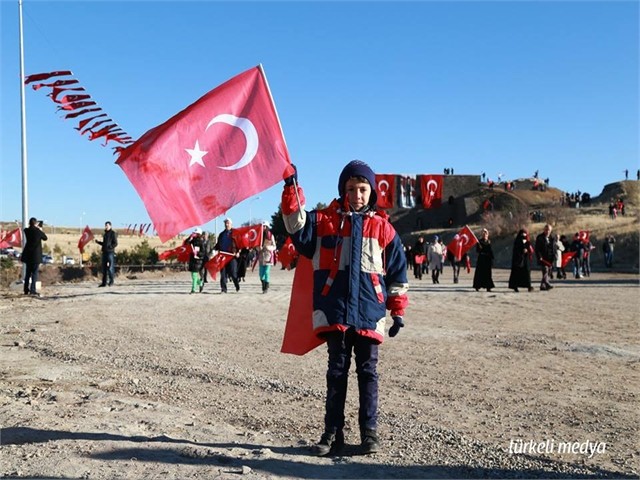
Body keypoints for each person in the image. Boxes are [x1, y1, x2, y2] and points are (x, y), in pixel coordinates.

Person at [281, 160, 408, 456]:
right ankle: (331, 433)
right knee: (336, 373)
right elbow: (294, 224)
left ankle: (369, 434)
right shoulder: (323, 222)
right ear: (342, 190)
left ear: (372, 192)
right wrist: (291, 188)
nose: (357, 194)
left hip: (370, 312)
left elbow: (398, 273)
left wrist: (397, 310)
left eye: (362, 189)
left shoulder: (384, 230)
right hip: (335, 310)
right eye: (351, 189)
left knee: (368, 374)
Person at [21, 217, 48, 296]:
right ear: (35, 223)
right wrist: (40, 229)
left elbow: (27, 229)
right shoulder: (38, 231)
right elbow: (45, 238)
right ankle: (32, 290)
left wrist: (36, 227)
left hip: (28, 255)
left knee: (28, 273)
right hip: (35, 256)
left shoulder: (27, 231)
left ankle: (26, 289)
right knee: (35, 274)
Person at [214, 218, 240, 293]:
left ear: (231, 224)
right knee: (223, 274)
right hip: (223, 256)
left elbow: (239, 244)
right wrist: (214, 249)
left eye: (228, 223)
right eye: (225, 223)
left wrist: (238, 252)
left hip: (232, 256)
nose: (226, 224)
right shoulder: (221, 234)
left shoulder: (235, 233)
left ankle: (236, 284)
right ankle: (223, 289)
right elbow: (218, 244)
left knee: (233, 273)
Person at [95, 221, 118, 287]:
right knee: (104, 268)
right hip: (104, 252)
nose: (106, 227)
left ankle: (111, 282)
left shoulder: (113, 233)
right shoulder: (105, 234)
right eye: (105, 225)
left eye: (107, 225)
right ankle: (104, 283)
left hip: (110, 252)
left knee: (110, 267)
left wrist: (110, 247)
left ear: (110, 226)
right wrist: (98, 242)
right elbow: (104, 243)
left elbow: (115, 243)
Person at [535, 224, 554, 291]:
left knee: (548, 272)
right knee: (545, 270)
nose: (547, 231)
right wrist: (539, 257)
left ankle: (542, 286)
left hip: (550, 258)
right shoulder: (540, 237)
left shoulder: (552, 238)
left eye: (549, 230)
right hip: (543, 258)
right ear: (544, 230)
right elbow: (537, 249)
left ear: (551, 230)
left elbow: (553, 248)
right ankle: (547, 283)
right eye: (546, 230)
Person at [258, 222, 276, 293]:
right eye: (263, 226)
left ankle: (266, 286)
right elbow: (256, 245)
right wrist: (258, 248)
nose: (263, 228)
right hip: (261, 257)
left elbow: (274, 246)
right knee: (261, 274)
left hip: (268, 256)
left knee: (266, 272)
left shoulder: (271, 236)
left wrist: (269, 247)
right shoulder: (259, 236)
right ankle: (263, 283)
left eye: (265, 226)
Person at [187, 228, 205, 293]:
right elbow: (186, 243)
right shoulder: (192, 241)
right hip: (192, 260)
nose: (194, 234)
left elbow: (203, 252)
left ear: (199, 234)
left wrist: (197, 253)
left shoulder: (201, 242)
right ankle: (200, 283)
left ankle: (193, 289)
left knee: (194, 275)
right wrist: (190, 237)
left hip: (198, 261)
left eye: (195, 233)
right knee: (193, 275)